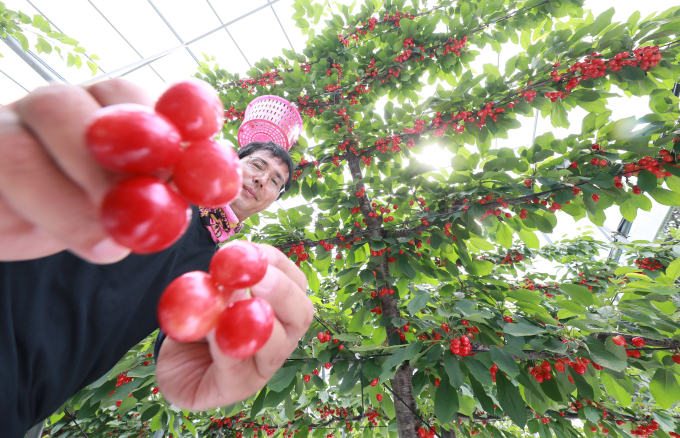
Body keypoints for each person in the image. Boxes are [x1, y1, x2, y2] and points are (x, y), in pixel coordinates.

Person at [0, 78, 314, 438]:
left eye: (276, 181)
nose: (262, 181)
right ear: (231, 161)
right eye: (257, 165)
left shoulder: (219, 275)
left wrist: (225, 350)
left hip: (21, 403)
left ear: (272, 199)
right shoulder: (148, 180)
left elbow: (185, 337)